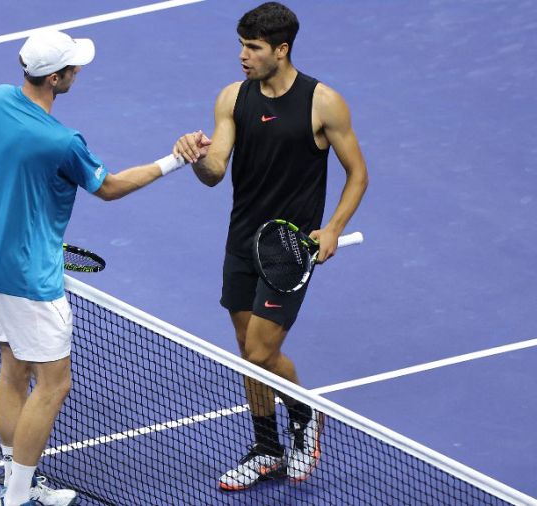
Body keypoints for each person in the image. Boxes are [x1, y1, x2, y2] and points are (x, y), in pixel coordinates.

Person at [0, 30, 189, 506]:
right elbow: (111, 188)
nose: (79, 72)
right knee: (55, 383)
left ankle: (17, 481)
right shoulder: (63, 142)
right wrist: (177, 159)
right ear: (55, 78)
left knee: (13, 369)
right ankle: (16, 497)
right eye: (74, 68)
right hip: (30, 280)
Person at [174, 2, 369, 492]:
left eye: (253, 47)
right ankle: (266, 447)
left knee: (261, 350)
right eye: (241, 45)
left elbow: (358, 174)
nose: (243, 55)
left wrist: (333, 228)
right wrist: (196, 159)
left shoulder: (323, 103)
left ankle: (305, 414)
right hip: (241, 241)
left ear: (281, 50)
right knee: (246, 351)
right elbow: (216, 170)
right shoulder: (232, 98)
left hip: (289, 250)